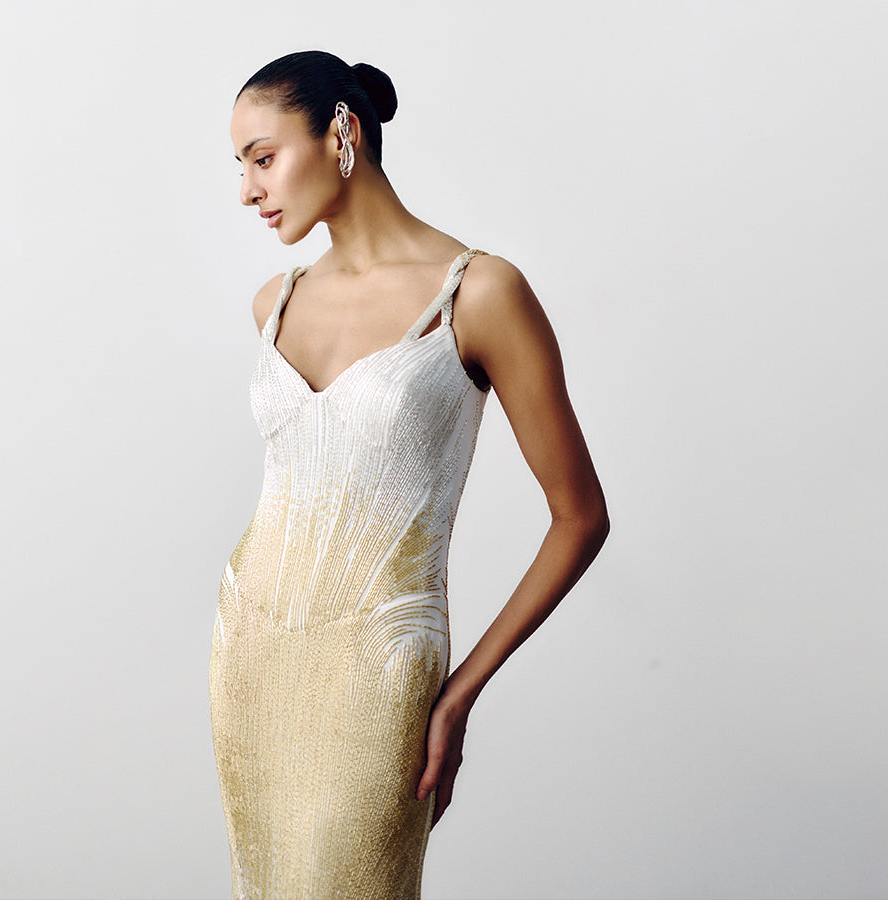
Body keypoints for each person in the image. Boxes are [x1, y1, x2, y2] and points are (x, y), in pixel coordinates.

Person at [212, 50, 610, 898]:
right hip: (248, 654)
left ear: (341, 132)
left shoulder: (478, 293)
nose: (247, 190)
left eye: (263, 157)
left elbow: (580, 516)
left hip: (379, 669)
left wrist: (458, 694)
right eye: (241, 166)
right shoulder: (273, 302)